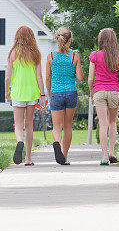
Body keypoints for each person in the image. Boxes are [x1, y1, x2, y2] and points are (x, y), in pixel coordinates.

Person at [5, 25, 46, 165]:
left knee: (18, 124)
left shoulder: (13, 53)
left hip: (17, 93)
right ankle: (28, 159)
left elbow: (7, 77)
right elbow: (39, 77)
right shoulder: (36, 54)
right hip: (32, 93)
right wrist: (42, 94)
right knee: (29, 125)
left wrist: (7, 91)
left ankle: (19, 142)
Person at [88, 28, 119, 165]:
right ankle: (112, 152)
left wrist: (92, 91)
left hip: (99, 91)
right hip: (114, 92)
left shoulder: (95, 55)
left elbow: (90, 78)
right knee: (112, 122)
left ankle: (104, 157)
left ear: (101, 40)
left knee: (102, 124)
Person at [45, 27, 84, 165]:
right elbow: (80, 78)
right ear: (70, 40)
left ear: (57, 39)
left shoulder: (50, 56)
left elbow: (48, 78)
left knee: (57, 127)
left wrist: (49, 94)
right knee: (68, 126)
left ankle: (57, 143)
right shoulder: (74, 56)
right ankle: (65, 157)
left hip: (56, 93)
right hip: (71, 93)